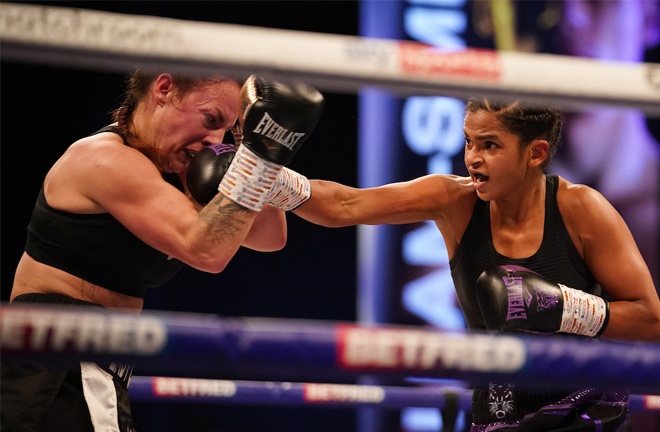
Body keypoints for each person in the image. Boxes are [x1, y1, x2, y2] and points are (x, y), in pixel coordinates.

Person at [290, 97, 660, 431]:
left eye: (490, 145)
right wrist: (259, 174)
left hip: (589, 410)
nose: (472, 157)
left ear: (535, 153)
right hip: (499, 416)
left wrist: (566, 308)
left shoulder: (582, 209)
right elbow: (345, 205)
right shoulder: (454, 201)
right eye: (469, 141)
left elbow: (650, 318)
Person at [0, 69, 324, 432]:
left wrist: (254, 144)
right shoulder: (104, 159)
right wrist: (259, 158)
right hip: (58, 362)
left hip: (96, 365)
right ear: (164, 89)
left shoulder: (178, 171)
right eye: (210, 119)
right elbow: (206, 252)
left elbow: (269, 236)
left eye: (227, 130)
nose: (215, 139)